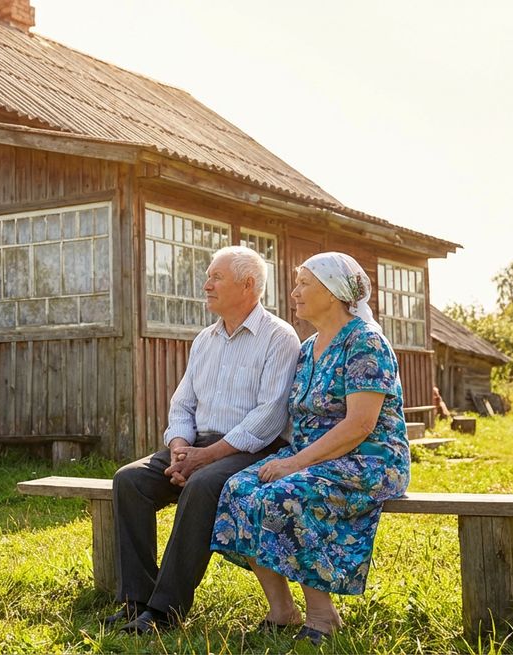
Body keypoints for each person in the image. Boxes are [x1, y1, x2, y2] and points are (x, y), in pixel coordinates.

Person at [210, 252, 410, 646]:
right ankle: (282, 610)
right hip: (311, 456)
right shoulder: (307, 348)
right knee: (237, 489)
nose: (294, 292)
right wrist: (289, 459)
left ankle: (323, 615)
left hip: (370, 458)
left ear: (334, 293)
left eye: (304, 283)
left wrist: (295, 464)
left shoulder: (366, 342)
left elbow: (361, 424)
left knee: (286, 496)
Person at [106, 245, 301, 634]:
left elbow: (270, 416)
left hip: (253, 448)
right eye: (208, 276)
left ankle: (165, 611)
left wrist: (206, 457)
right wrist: (180, 448)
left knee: (202, 483)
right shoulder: (205, 339)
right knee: (130, 479)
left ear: (248, 285)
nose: (206, 284)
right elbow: (183, 404)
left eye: (216, 277)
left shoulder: (279, 337)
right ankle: (137, 599)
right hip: (198, 446)